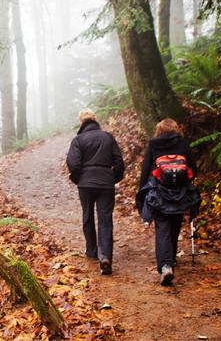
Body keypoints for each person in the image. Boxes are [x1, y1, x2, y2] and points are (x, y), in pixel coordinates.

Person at [136, 118, 200, 286]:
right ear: (176, 129)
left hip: (160, 193)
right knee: (175, 224)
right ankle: (170, 260)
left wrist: (142, 191)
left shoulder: (154, 145)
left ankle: (166, 266)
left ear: (159, 130)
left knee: (162, 227)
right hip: (180, 192)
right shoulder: (183, 144)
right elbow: (194, 168)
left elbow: (145, 170)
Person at [66, 110, 125, 275]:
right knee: (105, 219)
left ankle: (91, 251)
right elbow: (119, 162)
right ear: (95, 120)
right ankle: (105, 256)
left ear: (81, 122)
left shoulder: (78, 140)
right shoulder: (108, 137)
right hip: (106, 183)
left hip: (85, 184)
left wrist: (79, 179)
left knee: (87, 215)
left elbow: (73, 163)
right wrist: (113, 178)